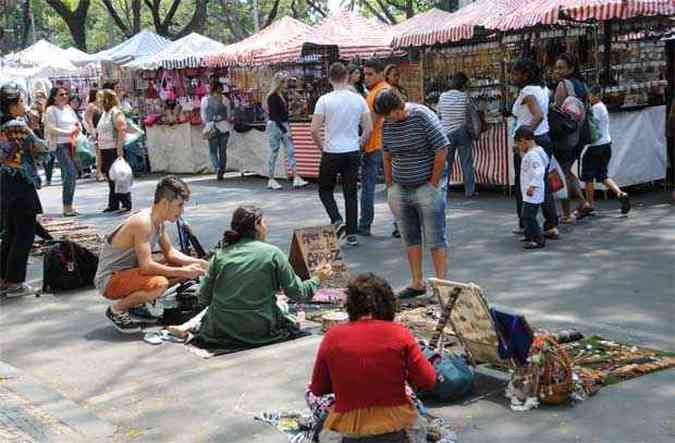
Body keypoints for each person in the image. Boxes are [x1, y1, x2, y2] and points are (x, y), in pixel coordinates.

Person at [171, 205, 332, 353]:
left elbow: (203, 297)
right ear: (256, 225)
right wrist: (318, 278)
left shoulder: (220, 255)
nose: (266, 227)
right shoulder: (272, 253)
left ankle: (189, 327)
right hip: (260, 329)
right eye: (264, 223)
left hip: (221, 331)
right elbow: (298, 293)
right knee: (282, 307)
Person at [308, 273, 436, 441]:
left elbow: (318, 389)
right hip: (396, 429)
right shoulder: (399, 333)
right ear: (389, 304)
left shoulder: (332, 336)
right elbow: (428, 380)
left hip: (349, 433)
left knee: (320, 423)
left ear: (351, 306)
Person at [94, 176, 208, 333]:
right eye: (179, 205)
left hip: (128, 274)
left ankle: (137, 304)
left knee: (183, 265)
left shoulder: (157, 221)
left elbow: (170, 253)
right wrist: (184, 272)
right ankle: (116, 309)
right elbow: (147, 266)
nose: (182, 210)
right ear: (164, 203)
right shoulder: (143, 223)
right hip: (109, 281)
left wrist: (200, 263)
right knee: (159, 284)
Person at [375, 89, 449, 299]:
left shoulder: (422, 116)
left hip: (426, 186)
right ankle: (417, 282)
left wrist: (433, 183)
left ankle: (441, 286)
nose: (389, 119)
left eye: (390, 114)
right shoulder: (387, 124)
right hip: (401, 186)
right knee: (410, 237)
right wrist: (390, 186)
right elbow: (387, 155)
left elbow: (441, 148)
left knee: (435, 237)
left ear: (398, 107)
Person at [312, 62, 373, 248]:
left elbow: (314, 129)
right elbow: (368, 129)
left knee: (325, 189)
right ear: (346, 77)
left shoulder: (324, 100)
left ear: (330, 79)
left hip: (331, 151)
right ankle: (352, 234)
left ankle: (337, 219)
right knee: (351, 193)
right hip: (352, 151)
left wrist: (322, 147)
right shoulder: (359, 100)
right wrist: (359, 144)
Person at [0, 83, 48, 297]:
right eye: (20, 101)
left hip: (5, 184)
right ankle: (15, 282)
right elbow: (40, 147)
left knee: (11, 233)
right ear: (11, 105)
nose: (23, 105)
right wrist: (36, 125)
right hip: (20, 182)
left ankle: (4, 278)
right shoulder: (15, 126)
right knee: (25, 234)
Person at [510, 58, 560, 239]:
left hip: (533, 141)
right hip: (543, 138)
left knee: (525, 183)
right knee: (542, 182)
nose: (512, 76)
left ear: (525, 75)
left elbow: (537, 115)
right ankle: (550, 223)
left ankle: (527, 224)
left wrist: (525, 137)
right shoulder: (542, 89)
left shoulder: (527, 92)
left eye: (515, 73)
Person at [552, 53, 592, 223]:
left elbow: (557, 110)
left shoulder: (563, 85)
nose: (557, 71)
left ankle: (568, 212)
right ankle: (583, 204)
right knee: (567, 171)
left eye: (561, 67)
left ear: (571, 69)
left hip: (566, 136)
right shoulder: (582, 85)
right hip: (581, 134)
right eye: (556, 67)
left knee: (562, 173)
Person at [582, 86, 631, 214]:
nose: (589, 97)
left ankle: (590, 205)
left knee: (588, 177)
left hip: (595, 146)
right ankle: (620, 193)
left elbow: (590, 126)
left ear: (596, 95)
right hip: (606, 144)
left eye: (591, 95)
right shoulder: (603, 107)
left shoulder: (595, 109)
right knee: (602, 175)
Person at [359, 59, 390, 237]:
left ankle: (364, 224)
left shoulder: (380, 92)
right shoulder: (377, 91)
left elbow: (371, 123)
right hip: (380, 144)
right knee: (394, 186)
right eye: (365, 74)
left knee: (368, 187)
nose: (367, 78)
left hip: (376, 145)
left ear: (380, 74)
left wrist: (361, 144)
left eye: (370, 74)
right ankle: (399, 225)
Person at [266, 72, 308, 190]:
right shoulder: (273, 96)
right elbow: (274, 116)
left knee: (290, 150)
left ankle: (296, 176)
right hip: (277, 125)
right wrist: (285, 129)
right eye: (284, 81)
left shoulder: (281, 95)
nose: (286, 84)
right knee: (274, 152)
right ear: (279, 83)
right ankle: (271, 178)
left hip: (281, 124)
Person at [438, 72, 477, 198]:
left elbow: (439, 114)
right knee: (466, 162)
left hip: (446, 132)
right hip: (462, 131)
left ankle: (444, 189)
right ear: (463, 84)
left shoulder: (442, 96)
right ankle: (469, 191)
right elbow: (471, 114)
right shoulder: (465, 97)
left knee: (446, 163)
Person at [44, 86, 80, 217]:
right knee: (71, 173)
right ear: (54, 97)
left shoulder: (68, 108)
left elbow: (76, 122)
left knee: (69, 174)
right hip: (59, 144)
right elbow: (51, 129)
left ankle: (68, 205)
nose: (65, 96)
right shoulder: (50, 110)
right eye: (61, 94)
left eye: (65, 94)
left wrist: (77, 129)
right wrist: (68, 132)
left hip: (72, 143)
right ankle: (67, 206)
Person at [97, 89, 132, 213]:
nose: (98, 102)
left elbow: (122, 130)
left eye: (100, 99)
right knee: (111, 177)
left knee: (119, 177)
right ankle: (113, 203)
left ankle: (126, 202)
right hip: (105, 149)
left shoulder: (116, 113)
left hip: (113, 148)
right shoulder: (104, 113)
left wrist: (119, 149)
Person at [515, 126, 548, 250]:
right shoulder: (536, 151)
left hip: (532, 191)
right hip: (530, 190)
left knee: (529, 216)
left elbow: (539, 171)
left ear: (524, 140)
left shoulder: (533, 154)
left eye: (519, 144)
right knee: (526, 215)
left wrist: (532, 186)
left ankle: (538, 239)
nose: (519, 147)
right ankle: (529, 235)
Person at [200, 78, 232, 181]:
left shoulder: (205, 100)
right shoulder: (226, 100)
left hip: (211, 127)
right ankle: (222, 169)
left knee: (213, 151)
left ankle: (217, 167)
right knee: (223, 151)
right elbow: (229, 115)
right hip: (224, 127)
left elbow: (203, 116)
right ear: (221, 89)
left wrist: (208, 122)